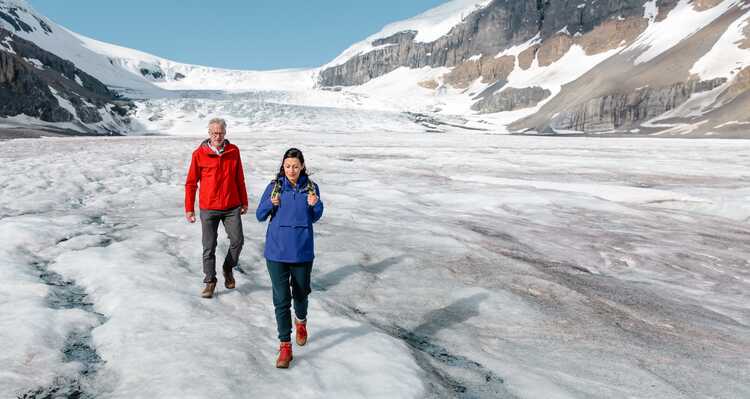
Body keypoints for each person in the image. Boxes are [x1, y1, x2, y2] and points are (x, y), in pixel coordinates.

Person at [256, 148, 324, 368]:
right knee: (281, 299)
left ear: (302, 166)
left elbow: (314, 217)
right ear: (282, 167)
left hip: (302, 251)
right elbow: (259, 215)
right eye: (287, 166)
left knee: (301, 292)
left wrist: (316, 205)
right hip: (276, 252)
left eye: (295, 166)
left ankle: (301, 321)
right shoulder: (274, 187)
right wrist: (270, 203)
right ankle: (285, 346)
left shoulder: (311, 188)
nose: (291, 170)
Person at [185, 118, 248, 298]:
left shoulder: (233, 151)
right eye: (214, 133)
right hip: (209, 208)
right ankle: (210, 281)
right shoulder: (199, 154)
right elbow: (191, 183)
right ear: (209, 133)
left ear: (225, 133)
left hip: (232, 206)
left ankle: (228, 268)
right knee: (209, 246)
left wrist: (244, 201)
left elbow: (239, 179)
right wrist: (189, 208)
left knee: (238, 241)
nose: (217, 136)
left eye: (220, 132)